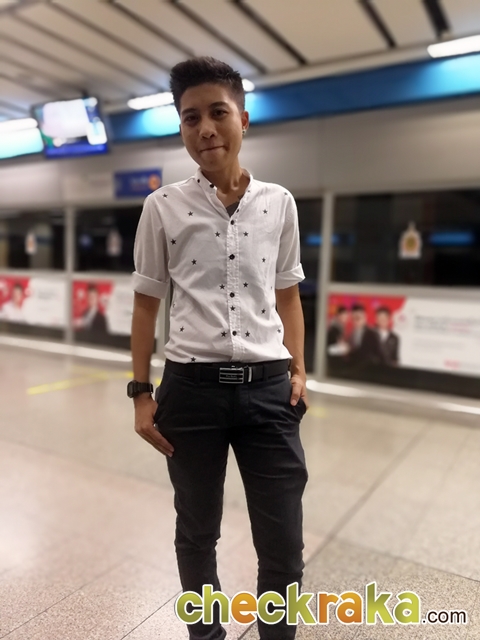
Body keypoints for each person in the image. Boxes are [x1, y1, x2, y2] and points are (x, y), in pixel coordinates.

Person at [129, 57, 309, 640]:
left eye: (217, 113)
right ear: (182, 129)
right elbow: (146, 305)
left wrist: (300, 370)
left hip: (269, 392)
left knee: (283, 542)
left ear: (243, 120)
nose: (205, 129)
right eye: (190, 118)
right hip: (191, 393)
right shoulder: (161, 206)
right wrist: (141, 393)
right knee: (196, 533)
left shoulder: (279, 203)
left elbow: (288, 295)